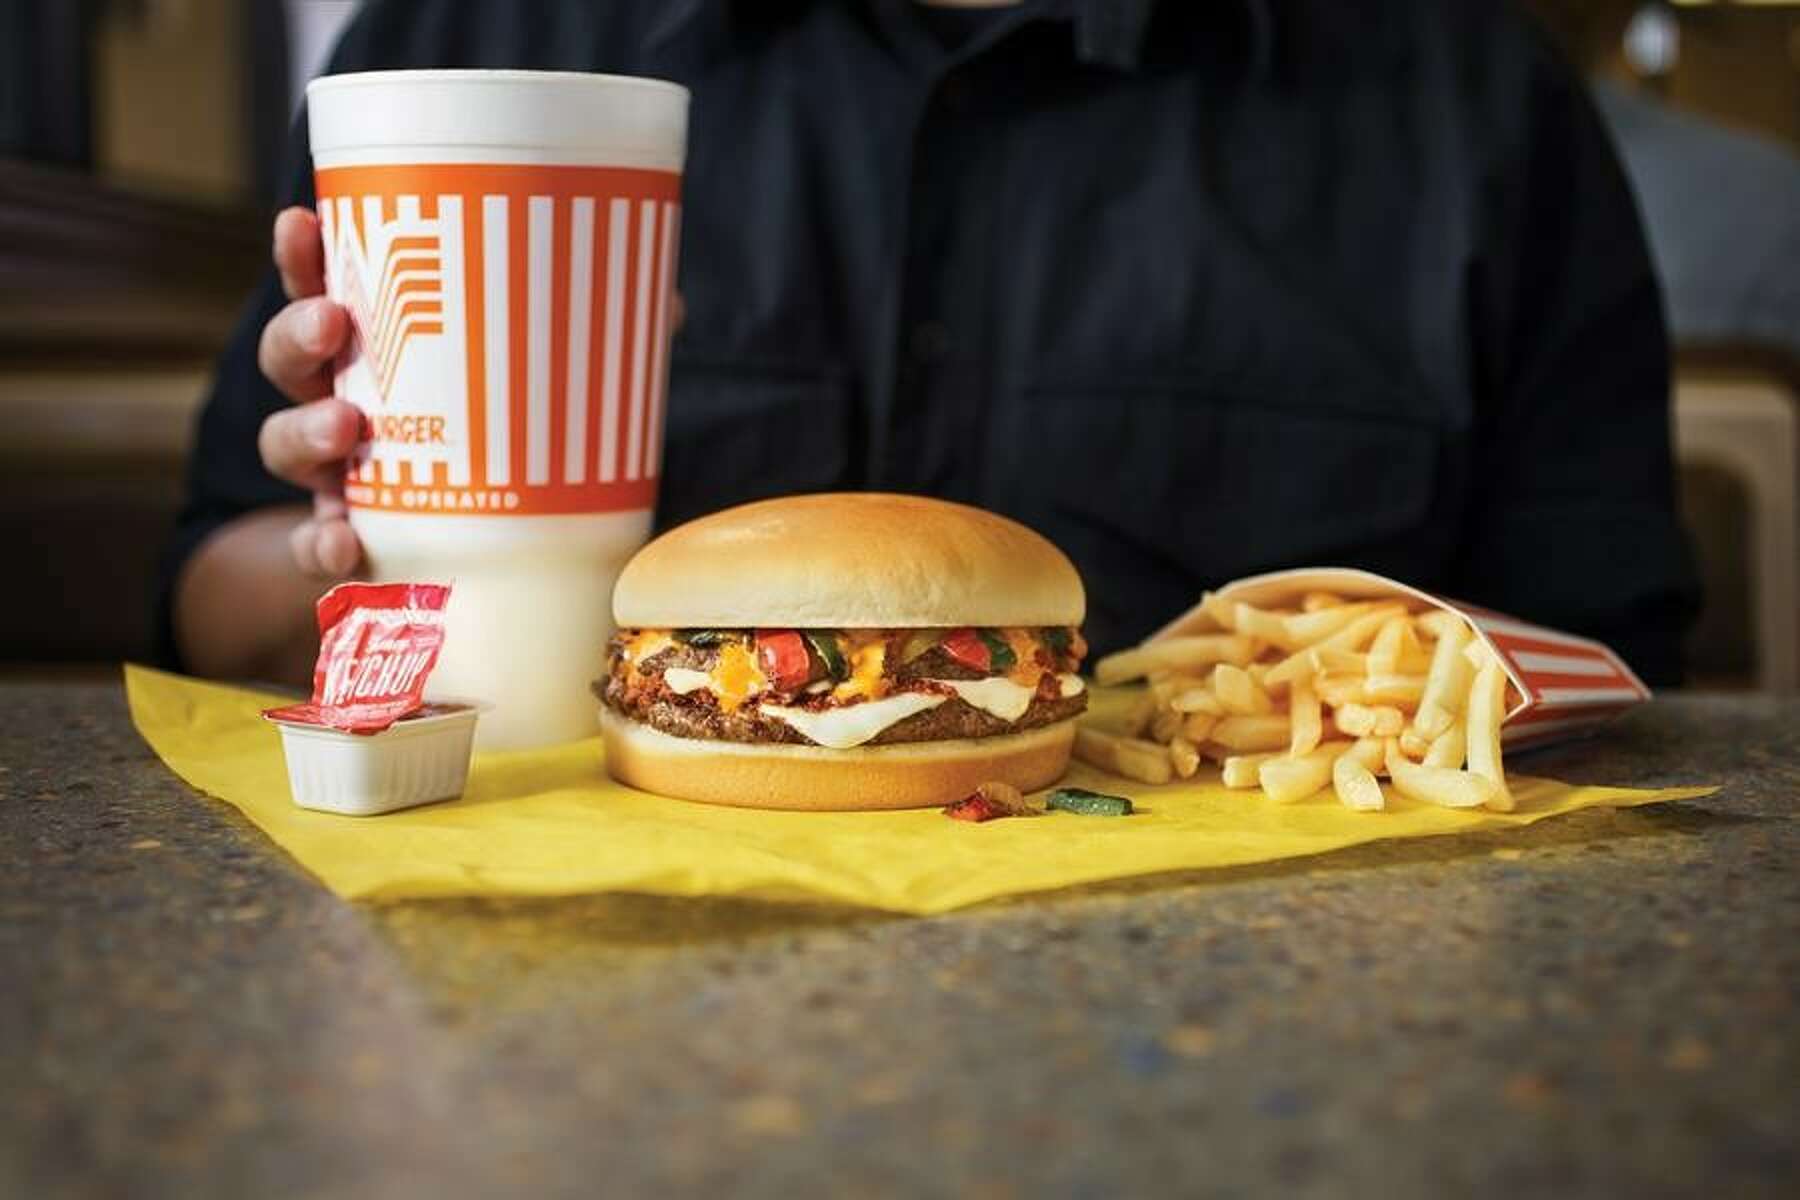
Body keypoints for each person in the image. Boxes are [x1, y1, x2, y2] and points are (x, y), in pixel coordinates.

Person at [160, 0, 1698, 687]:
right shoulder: (454, 52)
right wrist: (388, 552)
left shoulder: (1470, 101)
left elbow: (1615, 653)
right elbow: (209, 615)